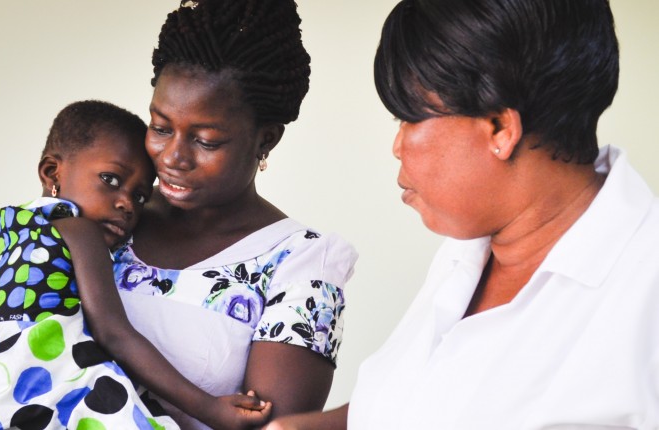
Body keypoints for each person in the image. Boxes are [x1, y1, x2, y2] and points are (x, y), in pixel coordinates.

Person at [265, 0, 659, 429]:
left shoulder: (643, 289)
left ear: (499, 129)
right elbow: (415, 408)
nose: (398, 146)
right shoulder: (473, 248)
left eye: (407, 118)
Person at [0, 100, 272, 430]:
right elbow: (114, 333)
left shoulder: (13, 227)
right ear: (52, 172)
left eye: (140, 196)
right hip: (48, 385)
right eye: (110, 179)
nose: (126, 203)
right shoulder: (78, 230)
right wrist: (210, 408)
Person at [110, 0, 358, 428]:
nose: (173, 157)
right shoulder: (109, 218)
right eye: (161, 127)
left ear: (267, 139)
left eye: (206, 141)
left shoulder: (299, 266)